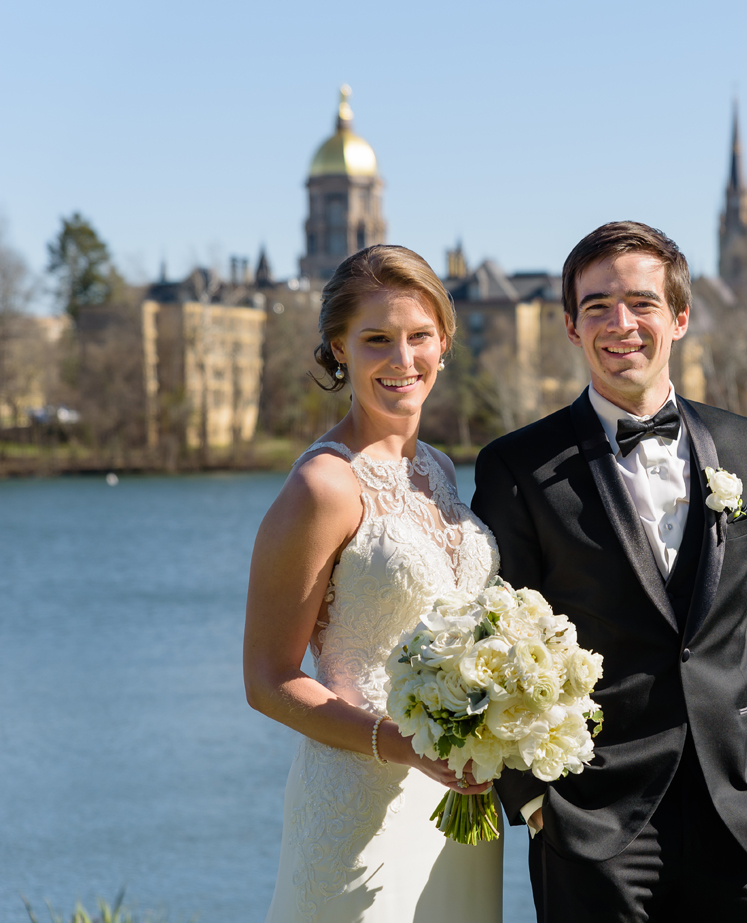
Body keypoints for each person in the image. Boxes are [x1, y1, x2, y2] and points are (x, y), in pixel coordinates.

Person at [470, 221, 747, 923]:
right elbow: (491, 647)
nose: (620, 323)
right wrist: (535, 800)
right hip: (590, 822)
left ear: (679, 317)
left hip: (736, 815)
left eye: (641, 302)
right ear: (570, 325)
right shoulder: (516, 467)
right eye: (597, 306)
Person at [245, 245, 502, 922]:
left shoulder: (441, 470)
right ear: (339, 348)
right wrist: (400, 743)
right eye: (376, 340)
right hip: (358, 801)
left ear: (443, 344)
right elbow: (267, 679)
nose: (402, 359)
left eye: (419, 336)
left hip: (458, 807)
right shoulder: (322, 485)